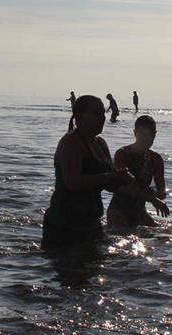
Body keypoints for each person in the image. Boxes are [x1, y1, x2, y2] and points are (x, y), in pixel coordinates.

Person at [42, 95, 133, 247]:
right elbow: (72, 182)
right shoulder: (71, 142)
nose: (102, 118)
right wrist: (110, 176)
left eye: (103, 113)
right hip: (64, 223)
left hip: (92, 222)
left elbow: (110, 185)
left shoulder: (100, 143)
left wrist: (123, 179)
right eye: (96, 113)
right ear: (80, 116)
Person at [106, 115, 170, 228]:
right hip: (119, 209)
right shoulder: (123, 154)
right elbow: (124, 186)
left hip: (140, 210)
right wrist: (152, 199)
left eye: (150, 135)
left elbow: (162, 191)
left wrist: (158, 194)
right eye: (142, 135)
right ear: (135, 133)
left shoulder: (156, 159)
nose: (146, 139)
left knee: (164, 235)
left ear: (155, 134)